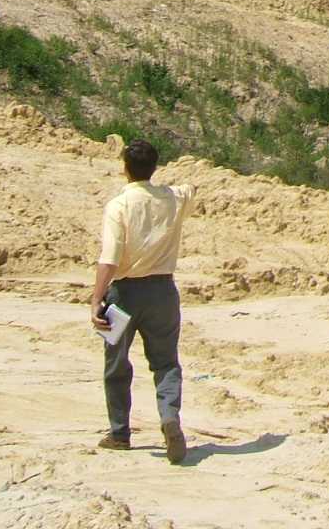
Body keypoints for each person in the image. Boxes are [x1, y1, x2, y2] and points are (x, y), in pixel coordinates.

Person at [89, 139, 197, 464]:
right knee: (166, 363)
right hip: (163, 291)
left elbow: (110, 258)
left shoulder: (118, 205)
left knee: (116, 363)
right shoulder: (173, 198)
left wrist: (96, 299)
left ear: (125, 168)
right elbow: (189, 189)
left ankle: (119, 433)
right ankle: (169, 417)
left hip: (123, 293)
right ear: (155, 167)